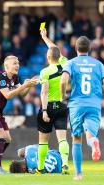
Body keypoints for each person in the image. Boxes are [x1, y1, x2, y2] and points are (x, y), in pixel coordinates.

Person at [61, 36, 104, 181]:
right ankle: (94, 142)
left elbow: (63, 80)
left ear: (76, 48)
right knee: (91, 135)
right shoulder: (98, 64)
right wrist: (96, 93)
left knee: (76, 138)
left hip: (76, 104)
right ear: (89, 49)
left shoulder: (71, 63)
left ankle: (78, 174)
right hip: (94, 104)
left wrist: (63, 95)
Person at [0, 55, 39, 175]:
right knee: (1, 137)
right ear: (6, 66)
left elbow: (22, 94)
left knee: (7, 139)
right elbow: (8, 95)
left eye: (18, 63)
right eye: (14, 63)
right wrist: (24, 86)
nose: (17, 65)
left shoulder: (14, 78)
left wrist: (29, 85)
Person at [36, 29, 70, 174]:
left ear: (48, 57)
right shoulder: (65, 64)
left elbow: (44, 92)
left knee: (43, 141)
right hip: (62, 105)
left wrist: (44, 111)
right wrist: (45, 38)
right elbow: (54, 49)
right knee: (62, 138)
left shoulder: (45, 72)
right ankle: (65, 164)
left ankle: (40, 168)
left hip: (48, 107)